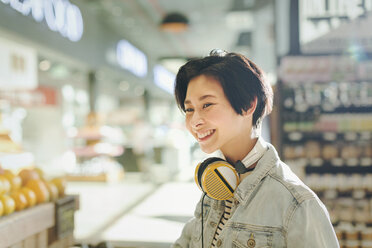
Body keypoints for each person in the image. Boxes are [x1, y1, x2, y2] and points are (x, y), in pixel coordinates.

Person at [172, 50, 339, 248]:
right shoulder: (216, 184)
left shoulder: (297, 204)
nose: (195, 121)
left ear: (248, 104)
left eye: (207, 104)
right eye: (189, 109)